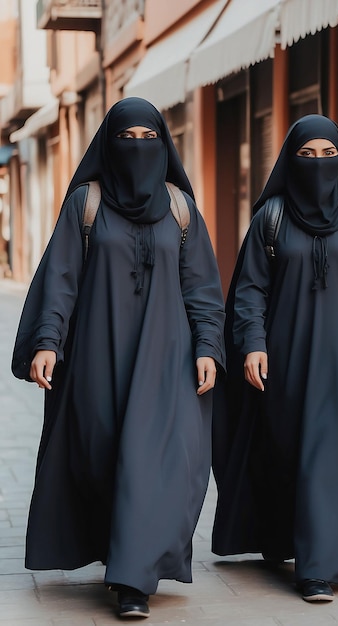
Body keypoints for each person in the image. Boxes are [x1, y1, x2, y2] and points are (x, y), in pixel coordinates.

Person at [12, 97, 225, 619]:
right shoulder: (87, 201)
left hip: (168, 357)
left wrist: (208, 347)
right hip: (97, 355)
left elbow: (201, 285)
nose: (137, 149)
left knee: (159, 463)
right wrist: (47, 340)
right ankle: (120, 554)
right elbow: (61, 278)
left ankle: (135, 580)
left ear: (164, 144)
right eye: (126, 139)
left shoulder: (180, 207)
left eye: (147, 139)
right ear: (109, 143)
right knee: (104, 455)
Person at [211, 114, 338, 603]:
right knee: (298, 454)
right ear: (290, 159)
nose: (317, 165)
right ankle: (299, 549)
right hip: (287, 360)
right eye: (306, 155)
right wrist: (251, 343)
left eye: (327, 155)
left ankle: (318, 566)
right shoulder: (271, 218)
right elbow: (249, 289)